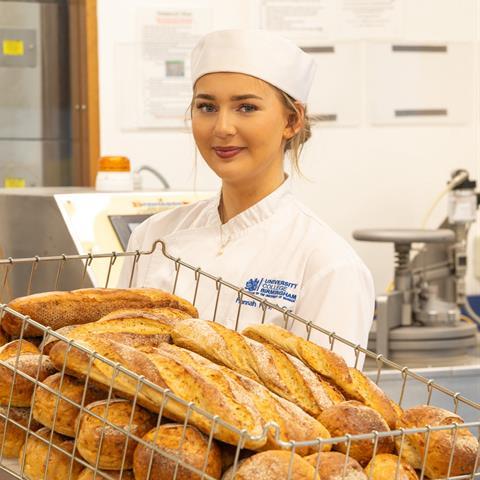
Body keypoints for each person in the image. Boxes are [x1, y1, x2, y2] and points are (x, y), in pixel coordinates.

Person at [118, 29, 375, 366]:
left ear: (292, 120)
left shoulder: (327, 264)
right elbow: (116, 358)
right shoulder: (153, 237)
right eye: (207, 106)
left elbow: (326, 406)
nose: (222, 127)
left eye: (246, 107)